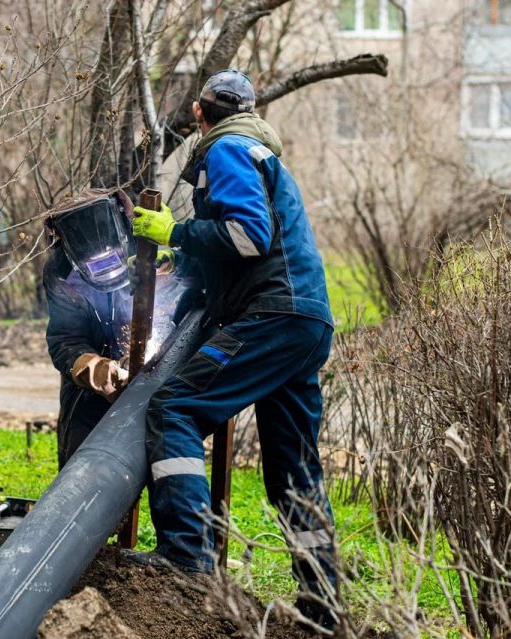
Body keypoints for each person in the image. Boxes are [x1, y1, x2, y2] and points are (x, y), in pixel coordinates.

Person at [129, 69, 339, 631]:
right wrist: (189, 263)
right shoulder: (264, 153)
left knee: (175, 408)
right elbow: (242, 245)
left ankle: (187, 562)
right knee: (294, 473)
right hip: (306, 321)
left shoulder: (226, 149)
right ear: (248, 106)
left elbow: (248, 236)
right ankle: (324, 602)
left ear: (200, 114)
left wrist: (171, 233)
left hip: (272, 315)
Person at [43, 188, 177, 468]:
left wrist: (149, 354)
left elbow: (173, 310)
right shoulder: (60, 271)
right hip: (87, 395)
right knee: (79, 474)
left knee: (164, 471)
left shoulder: (150, 246)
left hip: (158, 389)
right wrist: (98, 370)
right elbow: (65, 339)